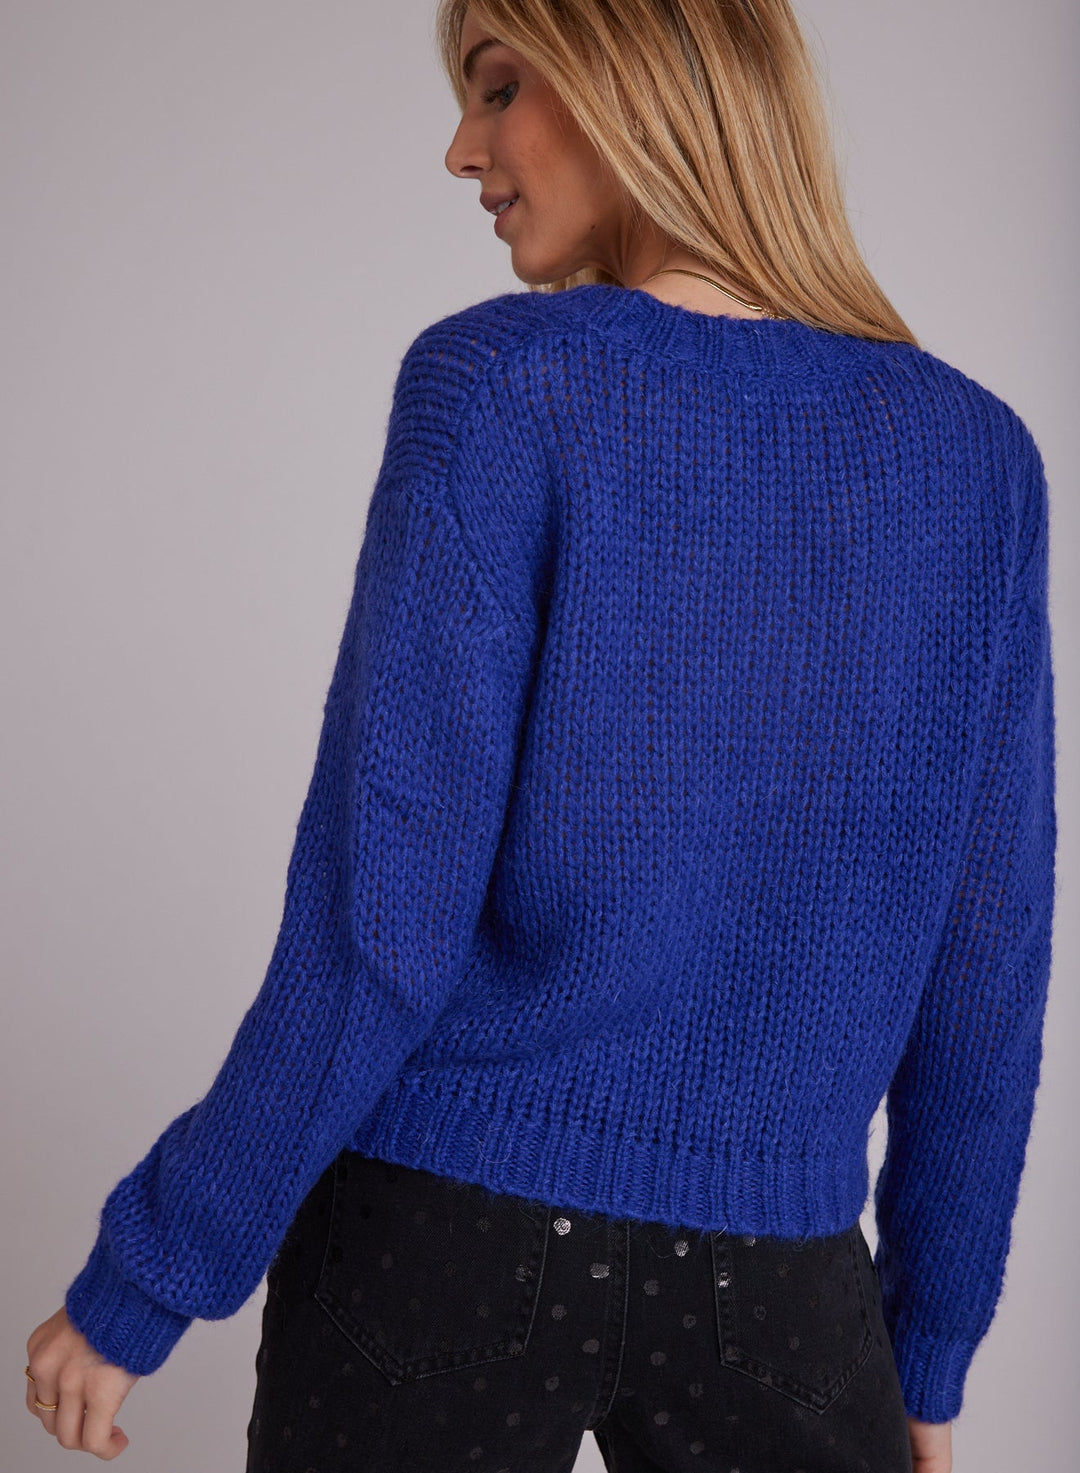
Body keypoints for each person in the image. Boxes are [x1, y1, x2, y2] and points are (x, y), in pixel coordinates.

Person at [24, 1, 1056, 1469]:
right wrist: (927, 1349)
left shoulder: (501, 385)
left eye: (499, 88)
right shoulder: (977, 460)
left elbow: (380, 927)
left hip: (441, 1238)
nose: (463, 149)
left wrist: (151, 1274)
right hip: (782, 1292)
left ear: (639, 83)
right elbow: (987, 965)